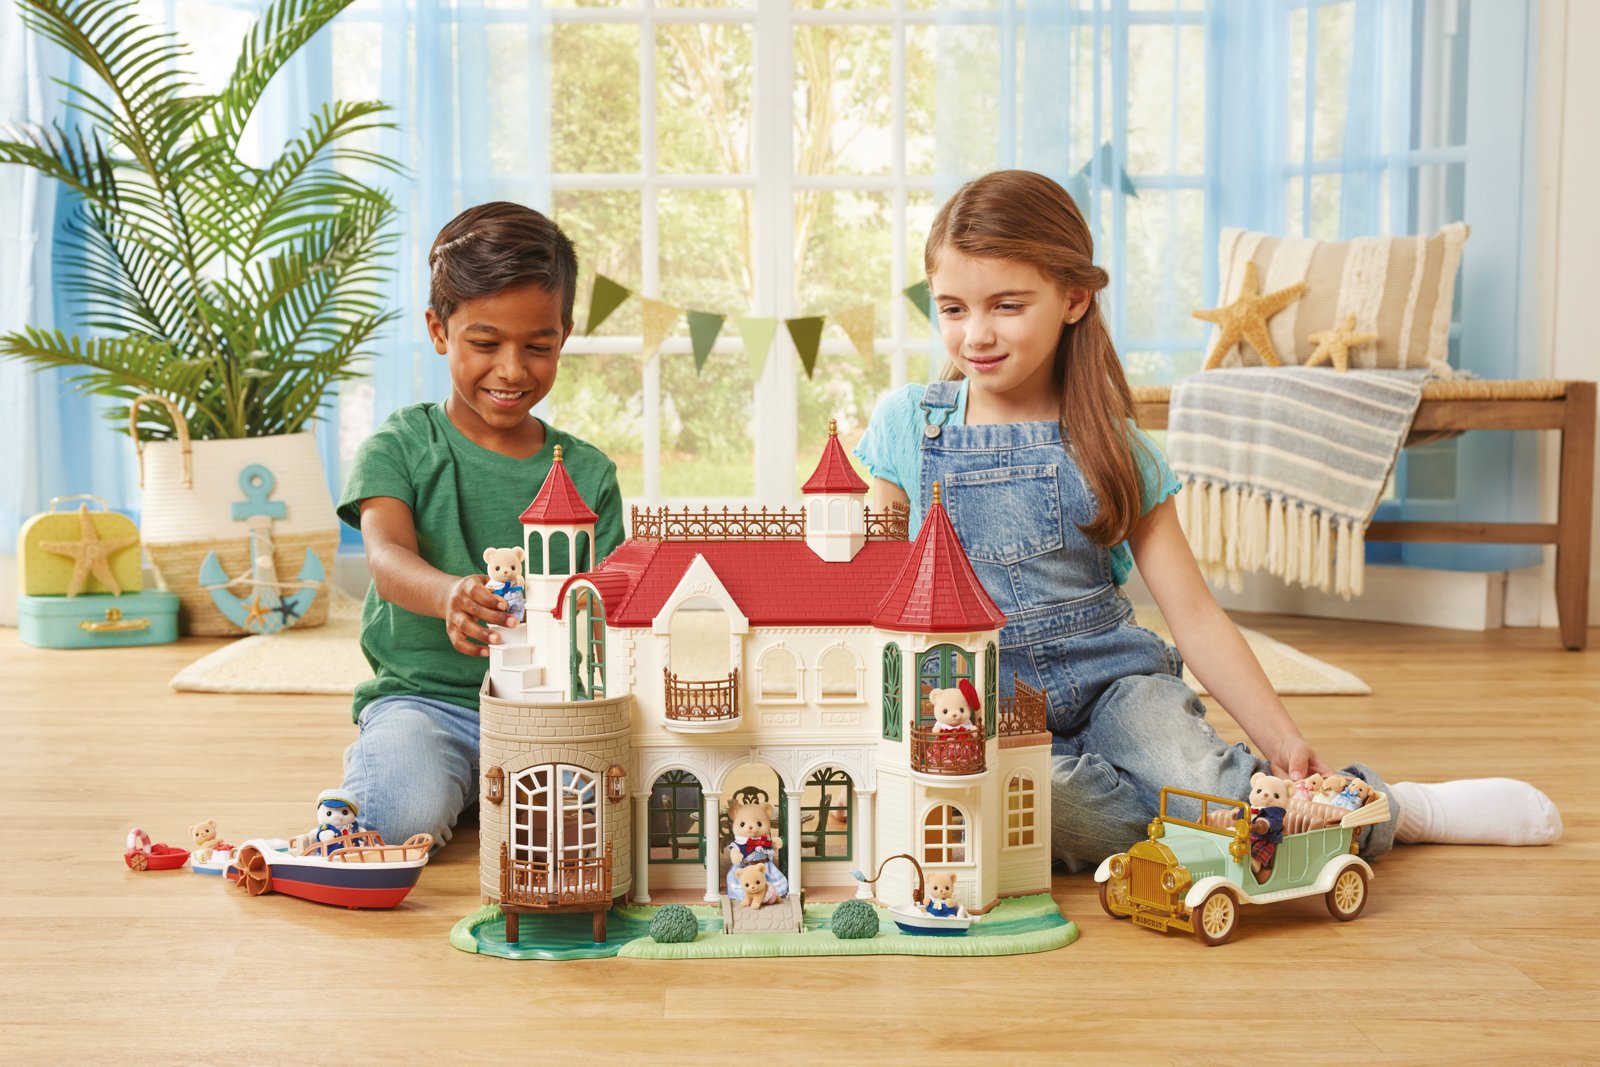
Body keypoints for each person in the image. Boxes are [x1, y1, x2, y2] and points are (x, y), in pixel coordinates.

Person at [854, 170, 1561, 871]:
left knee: (1199, 783)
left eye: (1007, 306)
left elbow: (1193, 616)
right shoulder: (907, 426)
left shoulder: (1116, 447)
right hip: (975, 701)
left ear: (1073, 298)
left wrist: (1282, 740)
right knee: (1047, 805)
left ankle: (1394, 810)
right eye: (952, 309)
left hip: (1117, 685)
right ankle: (1228, 820)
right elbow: (871, 595)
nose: (976, 334)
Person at [336, 202, 626, 849]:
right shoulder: (401, 445)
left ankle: (478, 788)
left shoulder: (589, 472)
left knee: (597, 828)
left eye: (538, 347)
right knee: (397, 820)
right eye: (486, 344)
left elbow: (608, 603)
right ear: (439, 330)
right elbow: (386, 558)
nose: (513, 369)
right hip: (426, 702)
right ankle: (394, 769)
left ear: (564, 336)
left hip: (553, 711)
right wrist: (448, 594)